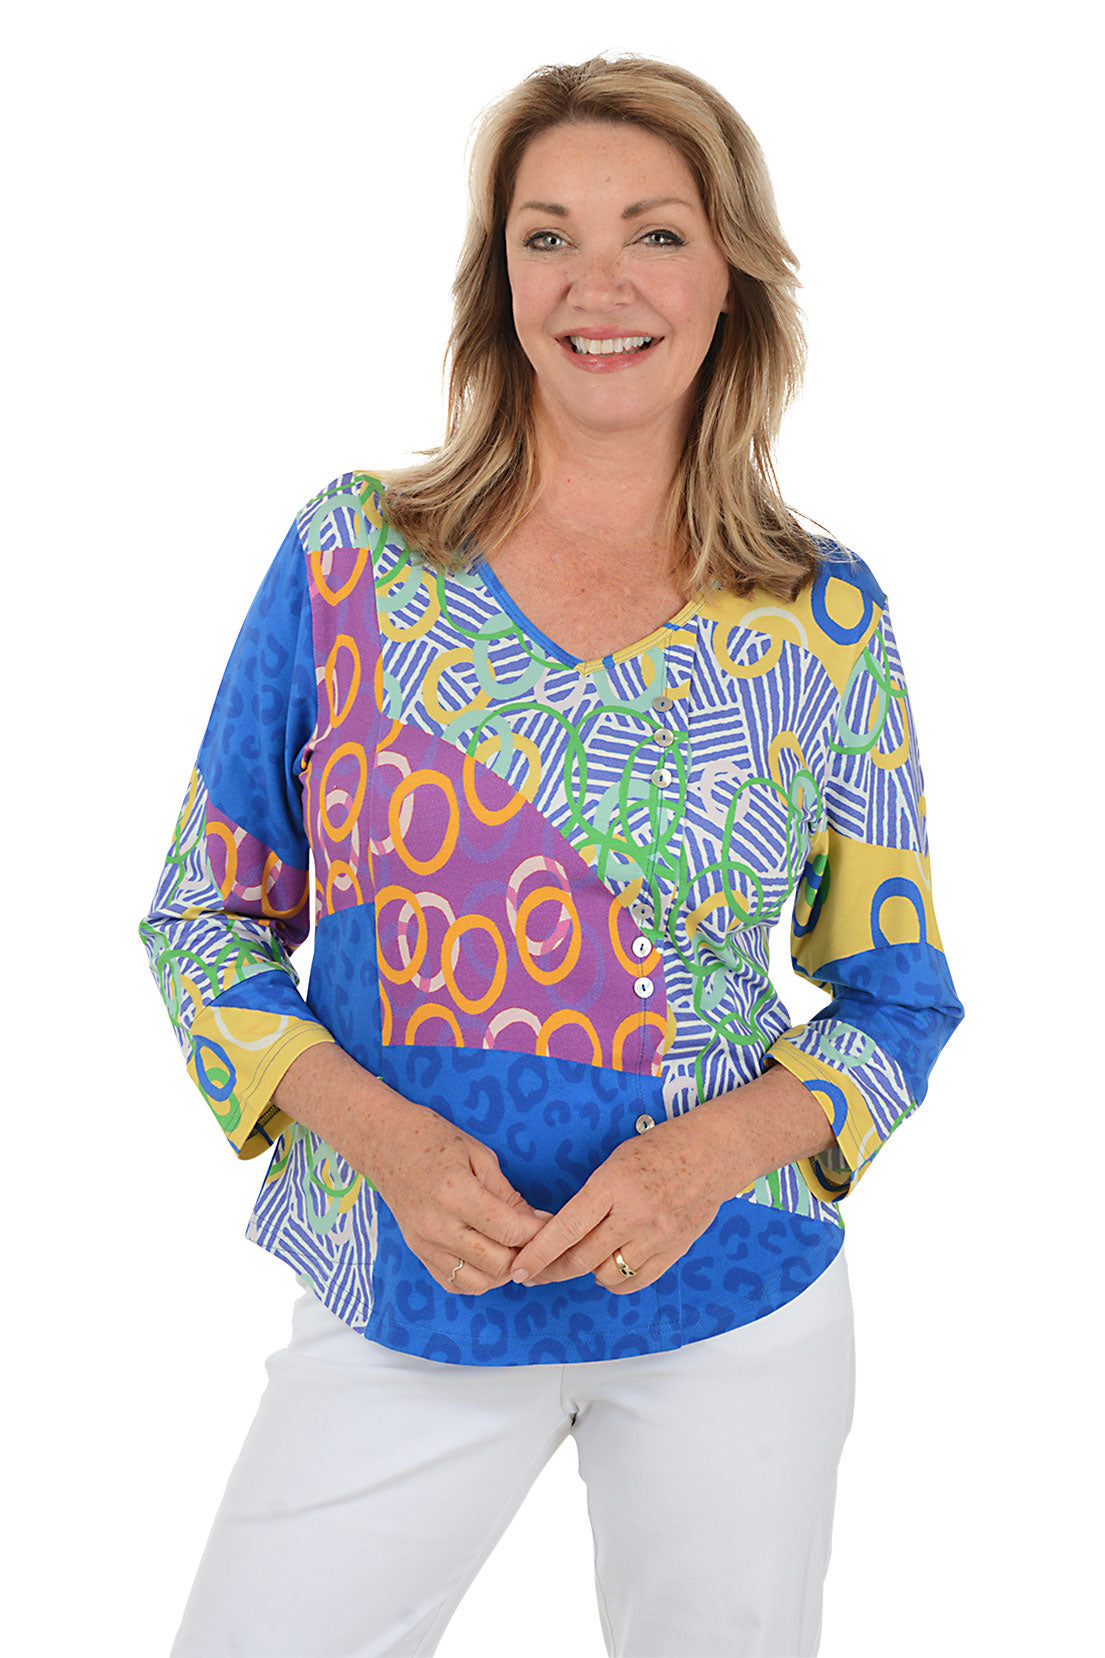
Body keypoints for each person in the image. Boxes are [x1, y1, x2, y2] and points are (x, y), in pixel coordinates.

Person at [139, 51, 965, 1658]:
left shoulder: (822, 616)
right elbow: (203, 919)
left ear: (729, 276)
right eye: (546, 235)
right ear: (494, 275)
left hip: (734, 1297)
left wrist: (699, 1161)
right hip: (405, 1292)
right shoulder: (350, 561)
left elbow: (895, 1001)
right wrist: (383, 1138)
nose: (598, 283)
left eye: (654, 232)